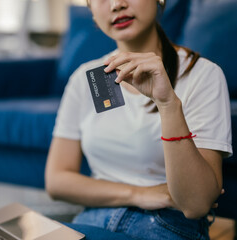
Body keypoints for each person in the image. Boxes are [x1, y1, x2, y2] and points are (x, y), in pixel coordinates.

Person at [45, 0, 233, 239]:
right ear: (91, 11)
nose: (116, 5)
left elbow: (196, 204)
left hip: (166, 224)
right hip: (93, 219)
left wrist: (167, 104)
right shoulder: (86, 78)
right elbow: (57, 181)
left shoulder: (202, 75)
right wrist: (141, 194)